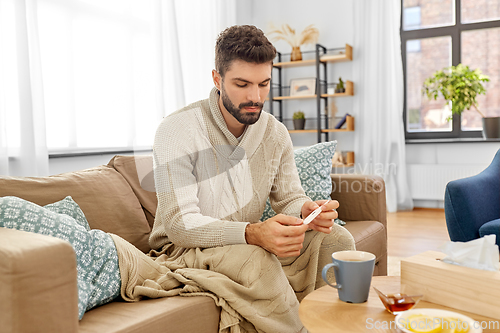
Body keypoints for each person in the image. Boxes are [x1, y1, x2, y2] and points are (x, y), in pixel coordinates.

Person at [150, 24, 355, 333]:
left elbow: (289, 197)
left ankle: (337, 327)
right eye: (242, 84)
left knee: (338, 239)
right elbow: (180, 224)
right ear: (217, 79)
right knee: (255, 258)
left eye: (263, 84)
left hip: (246, 242)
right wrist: (253, 233)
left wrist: (306, 211)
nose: (255, 96)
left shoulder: (275, 132)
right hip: (183, 250)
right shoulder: (176, 129)